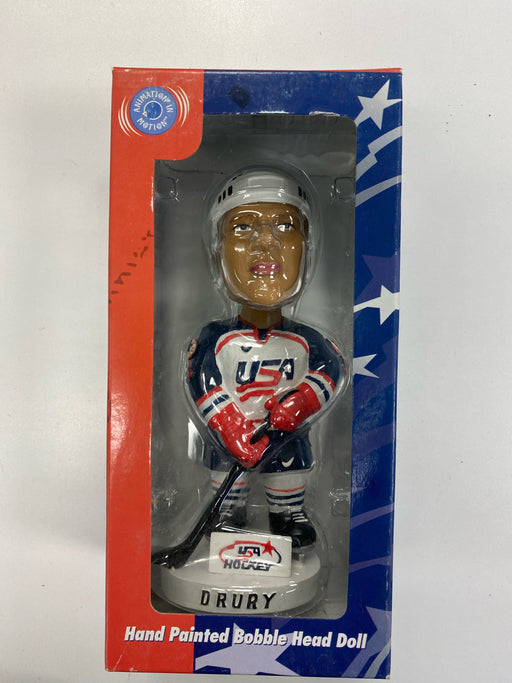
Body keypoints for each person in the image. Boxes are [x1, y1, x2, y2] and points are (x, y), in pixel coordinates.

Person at [186, 167, 347, 549]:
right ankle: (227, 514)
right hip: (233, 438)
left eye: (285, 226)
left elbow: (329, 370)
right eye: (243, 227)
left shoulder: (307, 341)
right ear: (218, 248)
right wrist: (230, 427)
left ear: (306, 245)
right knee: (227, 475)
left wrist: (300, 402)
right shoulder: (213, 339)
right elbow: (203, 381)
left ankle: (288, 515)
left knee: (288, 469)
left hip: (283, 436)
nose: (266, 242)